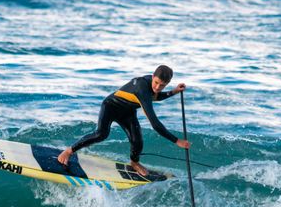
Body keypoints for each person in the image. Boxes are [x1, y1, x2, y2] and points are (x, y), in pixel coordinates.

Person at [57, 65, 191, 177]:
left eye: (162, 86)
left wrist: (173, 92)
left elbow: (155, 96)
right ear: (152, 76)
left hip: (127, 112)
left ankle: (134, 162)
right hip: (111, 106)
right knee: (101, 134)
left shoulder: (151, 85)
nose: (157, 87)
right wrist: (177, 141)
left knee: (137, 140)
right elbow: (155, 124)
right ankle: (69, 151)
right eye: (156, 83)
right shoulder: (142, 88)